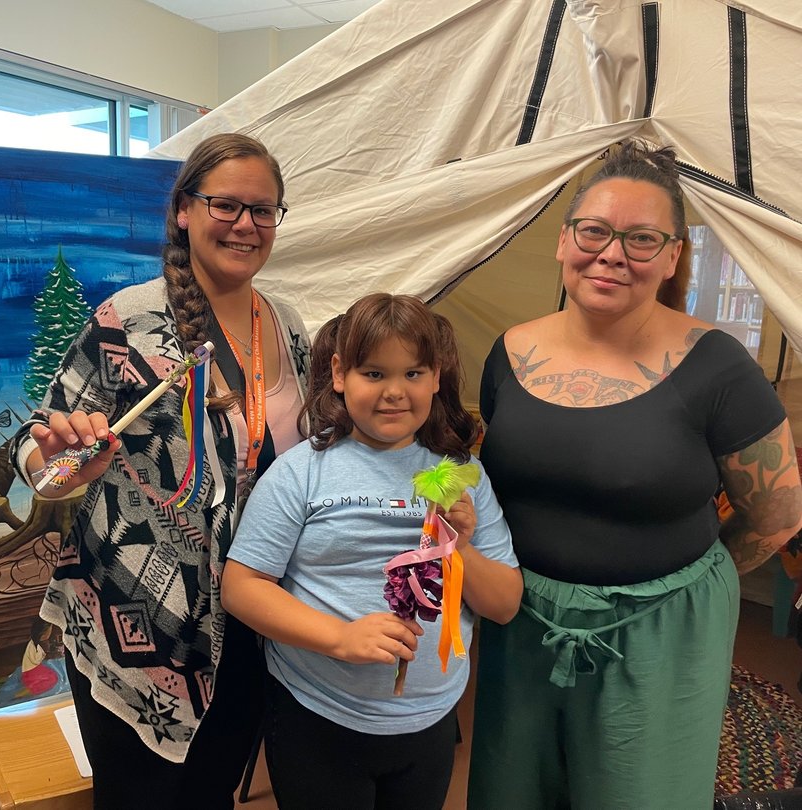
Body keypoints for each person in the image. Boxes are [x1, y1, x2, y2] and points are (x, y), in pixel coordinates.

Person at [467, 141, 802, 809]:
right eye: (594, 231)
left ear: (673, 254)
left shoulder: (720, 370)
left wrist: (683, 591)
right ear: (564, 242)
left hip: (655, 637)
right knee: (516, 790)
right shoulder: (509, 352)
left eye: (641, 239)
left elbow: (779, 517)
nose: (612, 253)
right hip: (524, 627)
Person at [8, 133, 312, 809]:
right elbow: (37, 459)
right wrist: (62, 466)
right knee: (142, 798)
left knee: (212, 790)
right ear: (183, 209)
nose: (245, 225)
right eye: (225, 204)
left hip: (250, 614)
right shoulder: (125, 323)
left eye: (263, 211)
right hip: (137, 621)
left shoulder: (288, 326)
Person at [223, 293, 522, 810]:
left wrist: (459, 549)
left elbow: (504, 604)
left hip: (429, 721)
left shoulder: (461, 478)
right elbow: (241, 588)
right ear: (340, 374)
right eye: (374, 373)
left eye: (413, 374)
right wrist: (340, 637)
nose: (394, 393)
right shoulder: (302, 472)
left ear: (436, 377)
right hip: (317, 715)